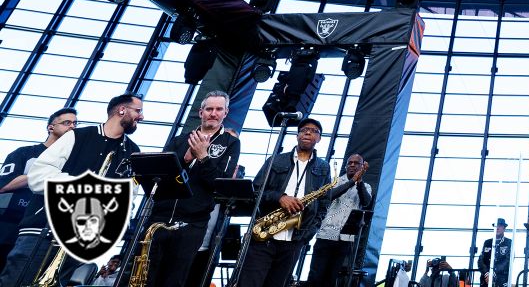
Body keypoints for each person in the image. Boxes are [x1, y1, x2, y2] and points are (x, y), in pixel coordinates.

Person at [0, 94, 142, 287]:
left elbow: (128, 197)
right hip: (42, 229)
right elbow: (38, 176)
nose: (141, 117)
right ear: (122, 110)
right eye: (138, 111)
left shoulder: (133, 152)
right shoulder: (77, 136)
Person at [142, 91, 240, 287]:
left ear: (225, 112)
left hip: (193, 223)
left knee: (174, 280)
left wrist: (203, 158)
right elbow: (160, 175)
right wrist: (185, 159)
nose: (213, 113)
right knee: (145, 275)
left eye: (218, 109)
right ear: (201, 112)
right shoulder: (180, 139)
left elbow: (220, 184)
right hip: (160, 216)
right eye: (209, 109)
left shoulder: (231, 143)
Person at [238, 118, 333, 287]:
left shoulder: (324, 168)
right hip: (265, 236)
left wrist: (308, 233)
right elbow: (256, 190)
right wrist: (280, 197)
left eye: (314, 131)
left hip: (295, 240)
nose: (308, 132)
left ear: (319, 138)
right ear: (297, 135)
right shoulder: (275, 160)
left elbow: (324, 204)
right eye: (304, 129)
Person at [0, 108, 77, 274]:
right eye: (67, 123)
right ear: (51, 127)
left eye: (75, 124)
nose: (72, 127)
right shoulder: (25, 153)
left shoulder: (71, 161)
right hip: (9, 226)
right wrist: (41, 175)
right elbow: (3, 185)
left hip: (42, 231)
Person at [308, 153, 371, 287]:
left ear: (362, 167)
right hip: (326, 235)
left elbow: (365, 202)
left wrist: (358, 182)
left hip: (345, 239)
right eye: (350, 163)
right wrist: (351, 182)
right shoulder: (334, 182)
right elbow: (330, 196)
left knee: (331, 279)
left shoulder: (366, 186)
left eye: (356, 163)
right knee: (315, 276)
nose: (352, 165)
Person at [476, 218, 511, 287]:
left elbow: (508, 260)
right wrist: (487, 273)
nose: (497, 228)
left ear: (504, 228)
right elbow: (480, 260)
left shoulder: (508, 242)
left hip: (501, 280)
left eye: (500, 226)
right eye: (496, 226)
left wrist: (493, 272)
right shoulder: (487, 242)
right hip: (485, 280)